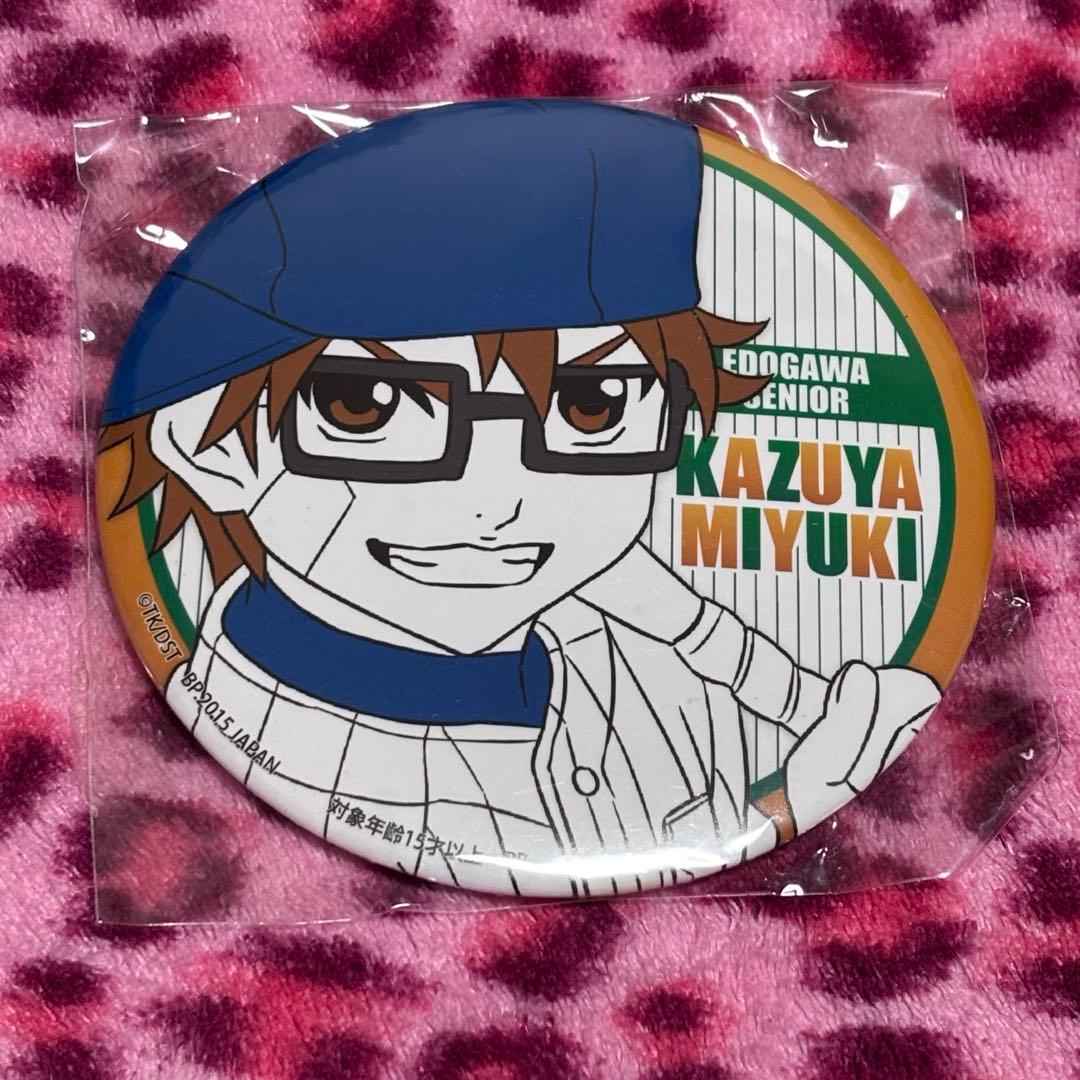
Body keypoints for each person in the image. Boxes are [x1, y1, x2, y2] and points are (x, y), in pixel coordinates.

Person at [100, 99, 939, 897]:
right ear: (207, 445)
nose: (495, 502)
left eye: (593, 407)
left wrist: (791, 779)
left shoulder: (641, 659)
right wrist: (788, 806)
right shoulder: (267, 741)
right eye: (366, 407)